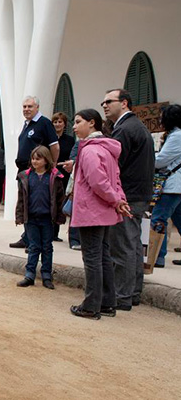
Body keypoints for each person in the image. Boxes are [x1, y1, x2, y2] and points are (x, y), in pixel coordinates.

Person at [69, 109, 131, 319]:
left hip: (91, 211)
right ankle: (107, 302)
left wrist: (116, 199)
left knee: (93, 258)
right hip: (104, 210)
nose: (74, 126)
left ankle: (91, 305)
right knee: (103, 255)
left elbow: (99, 182)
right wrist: (118, 200)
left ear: (92, 123)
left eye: (78, 122)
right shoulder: (107, 149)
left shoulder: (89, 150)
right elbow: (115, 180)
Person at [101, 88, 154, 310]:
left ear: (124, 103)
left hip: (128, 195)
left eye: (108, 101)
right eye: (103, 102)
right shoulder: (138, 127)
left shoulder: (124, 129)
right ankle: (132, 293)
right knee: (132, 245)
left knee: (122, 246)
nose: (104, 105)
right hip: (139, 194)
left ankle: (122, 295)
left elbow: (115, 166)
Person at [10, 96, 60, 249]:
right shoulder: (27, 125)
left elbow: (55, 146)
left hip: (37, 171)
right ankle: (27, 237)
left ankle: (34, 241)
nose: (26, 109)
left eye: (30, 106)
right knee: (25, 203)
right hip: (25, 171)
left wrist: (52, 166)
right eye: (24, 106)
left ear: (37, 107)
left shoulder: (44, 123)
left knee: (36, 204)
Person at [15, 146, 66, 290]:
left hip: (47, 219)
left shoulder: (54, 177)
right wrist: (19, 215)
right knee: (33, 246)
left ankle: (46, 275)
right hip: (31, 218)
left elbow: (59, 199)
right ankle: (29, 274)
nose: (35, 161)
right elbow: (21, 199)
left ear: (46, 159)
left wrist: (60, 217)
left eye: (38, 158)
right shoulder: (26, 176)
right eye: (33, 158)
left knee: (47, 247)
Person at [149, 104, 181, 267]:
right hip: (177, 186)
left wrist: (149, 157)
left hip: (172, 186)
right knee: (179, 219)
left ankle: (158, 257)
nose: (160, 120)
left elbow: (161, 160)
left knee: (158, 219)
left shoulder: (176, 136)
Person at [52, 113, 75, 242]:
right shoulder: (49, 138)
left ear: (64, 124)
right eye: (55, 122)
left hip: (64, 174)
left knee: (61, 202)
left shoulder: (70, 140)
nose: (57, 124)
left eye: (60, 122)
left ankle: (56, 231)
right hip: (52, 173)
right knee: (51, 201)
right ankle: (50, 231)